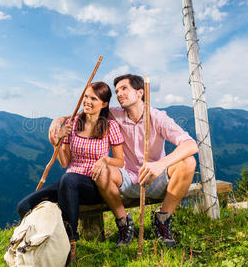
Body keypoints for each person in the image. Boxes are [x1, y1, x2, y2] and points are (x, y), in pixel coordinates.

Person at [50, 74, 198, 248]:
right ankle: (124, 224)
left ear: (140, 93)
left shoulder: (158, 117)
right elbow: (88, 112)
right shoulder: (115, 114)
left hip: (155, 178)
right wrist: (59, 119)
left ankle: (163, 220)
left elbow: (190, 145)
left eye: (124, 89)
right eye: (117, 90)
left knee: (188, 162)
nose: (119, 93)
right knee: (102, 169)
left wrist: (160, 164)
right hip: (126, 179)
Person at [17, 81, 124, 264]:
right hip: (69, 183)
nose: (87, 101)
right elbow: (65, 162)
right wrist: (57, 141)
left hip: (95, 184)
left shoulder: (110, 127)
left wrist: (105, 160)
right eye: (85, 97)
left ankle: (70, 241)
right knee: (25, 206)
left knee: (69, 179)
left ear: (104, 104)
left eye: (93, 98)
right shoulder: (73, 123)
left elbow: (120, 161)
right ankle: (43, 241)